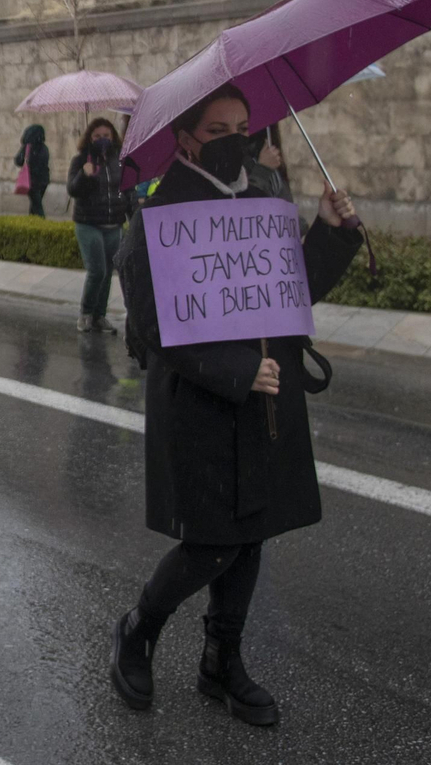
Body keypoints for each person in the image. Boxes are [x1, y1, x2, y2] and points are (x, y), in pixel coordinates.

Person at [114, 83, 360, 726]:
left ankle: (223, 661)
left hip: (267, 402)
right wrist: (237, 369)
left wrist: (331, 233)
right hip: (202, 402)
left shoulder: (262, 195)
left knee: (250, 536)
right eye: (218, 130)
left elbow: (291, 287)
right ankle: (138, 629)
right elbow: (151, 326)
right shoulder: (157, 214)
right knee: (210, 542)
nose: (236, 140)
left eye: (243, 127)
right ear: (186, 138)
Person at [67, 118, 134, 333]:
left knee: (108, 273)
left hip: (114, 224)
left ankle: (99, 316)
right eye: (97, 136)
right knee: (97, 270)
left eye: (106, 136)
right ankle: (86, 314)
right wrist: (84, 175)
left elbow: (128, 190)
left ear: (113, 136)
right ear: (90, 138)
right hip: (89, 223)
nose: (102, 140)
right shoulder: (81, 160)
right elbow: (73, 190)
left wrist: (134, 218)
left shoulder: (120, 161)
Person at [244, 126, 293, 202]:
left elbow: (286, 210)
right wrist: (262, 170)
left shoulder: (276, 169)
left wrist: (318, 214)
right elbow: (242, 208)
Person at [16, 124, 52, 218]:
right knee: (35, 204)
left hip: (32, 181)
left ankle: (41, 225)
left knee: (37, 205)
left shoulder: (28, 148)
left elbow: (18, 161)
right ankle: (32, 222)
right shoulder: (44, 148)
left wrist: (26, 159)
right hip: (43, 181)